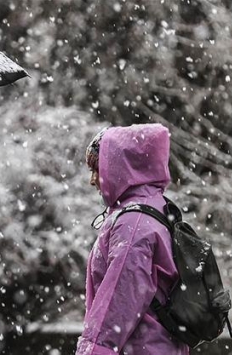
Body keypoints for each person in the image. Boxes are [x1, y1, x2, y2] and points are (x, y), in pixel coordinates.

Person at [76, 124, 189, 355]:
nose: (92, 180)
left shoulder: (134, 223)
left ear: (119, 167)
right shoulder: (156, 208)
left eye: (97, 169)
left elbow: (118, 300)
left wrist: (94, 350)